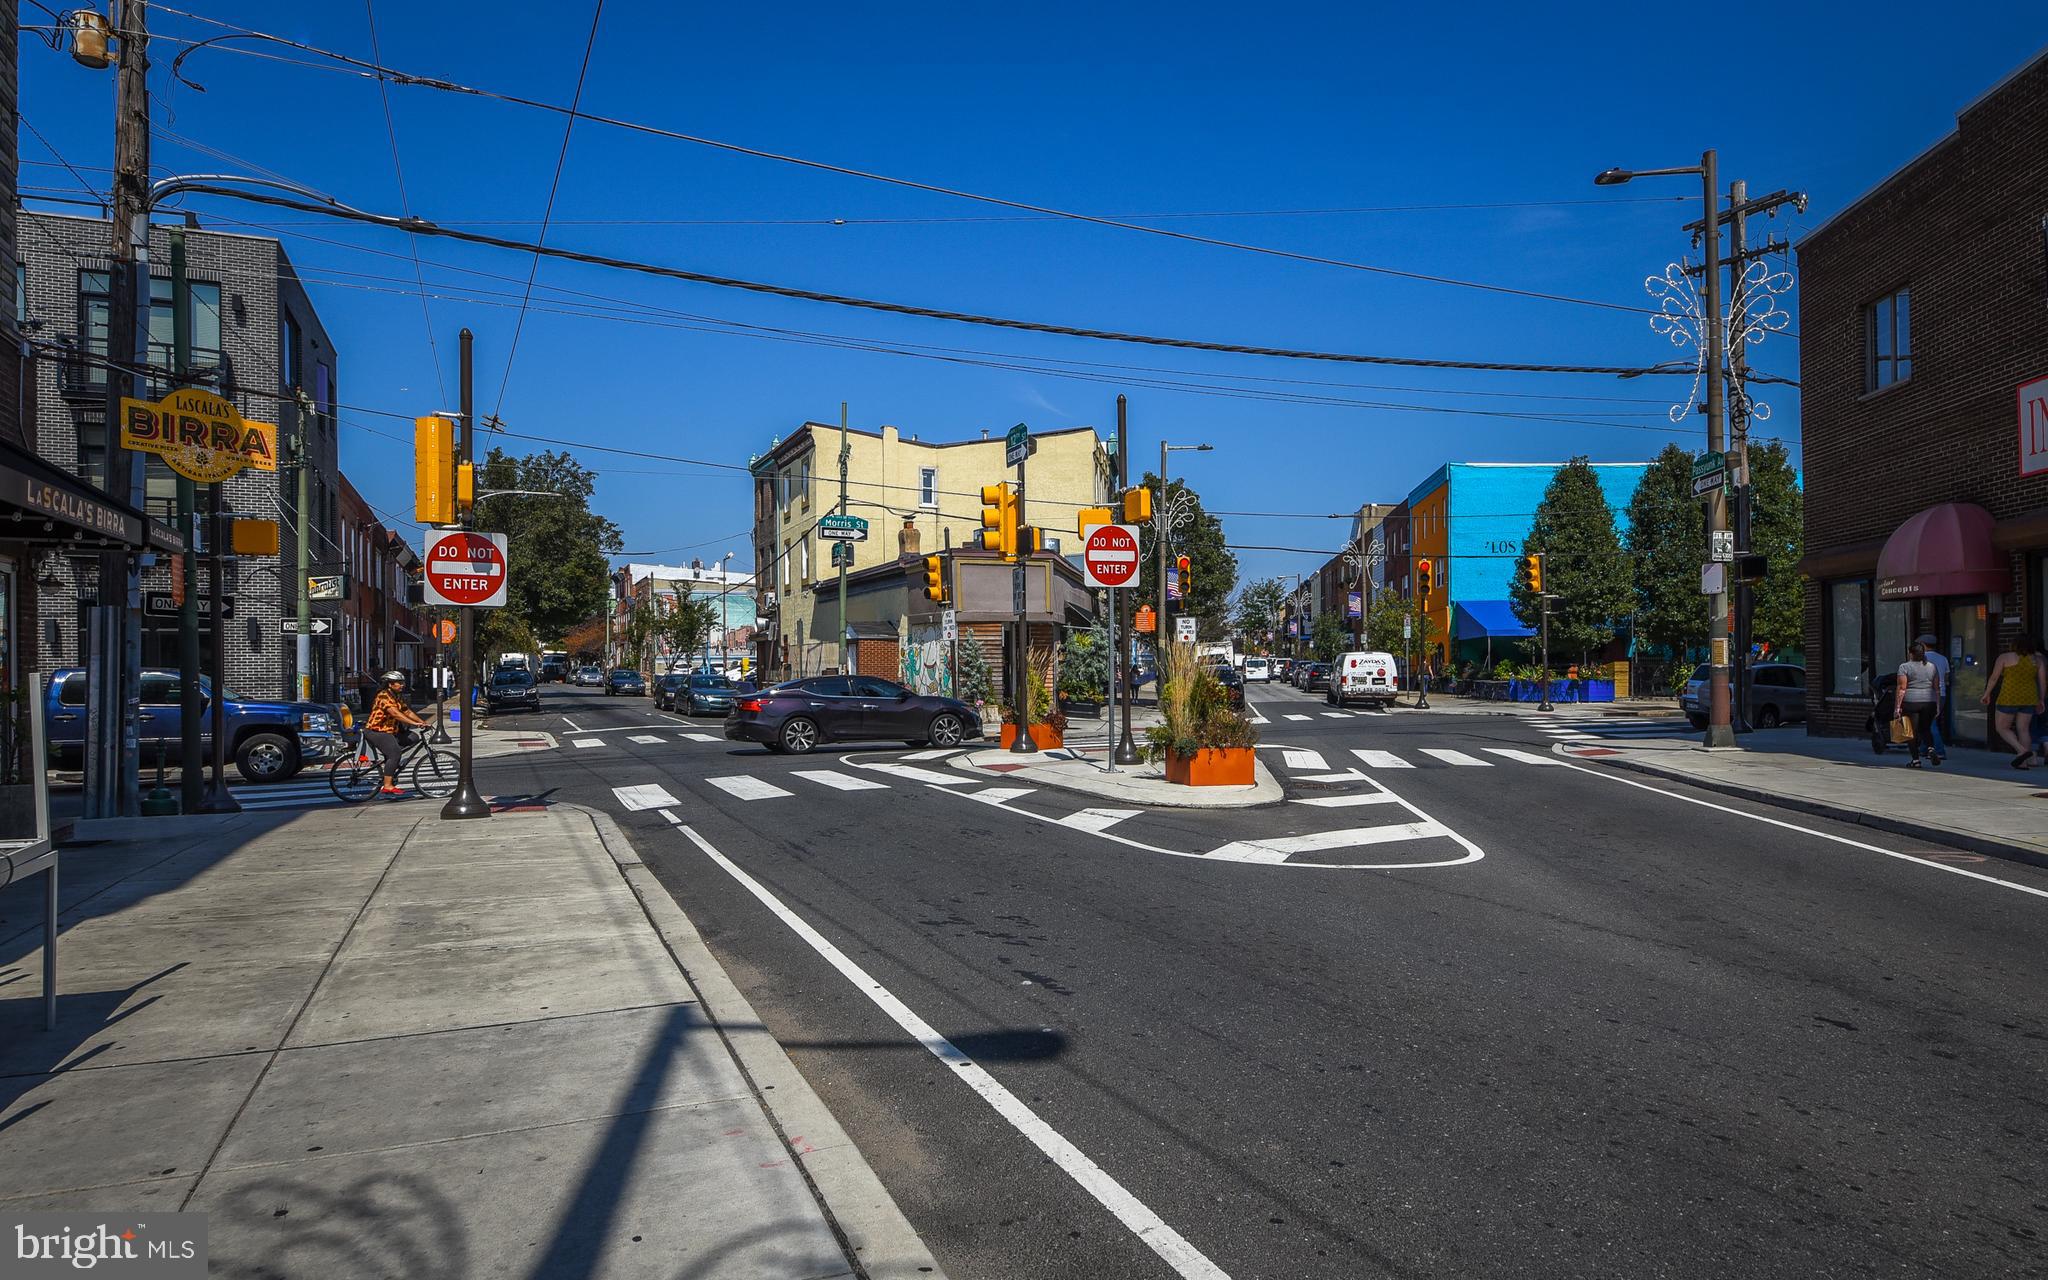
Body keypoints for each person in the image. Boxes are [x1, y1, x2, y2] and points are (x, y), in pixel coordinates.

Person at [1980, 633, 2046, 769]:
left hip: (2009, 697)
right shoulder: (2038, 660)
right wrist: (2041, 699)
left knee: (2002, 728)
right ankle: (2024, 762)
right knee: (2024, 729)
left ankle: (2021, 751)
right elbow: (2043, 682)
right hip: (2029, 698)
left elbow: (1994, 678)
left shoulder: (2004, 657)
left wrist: (1987, 693)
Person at [363, 669, 429, 795]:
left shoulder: (396, 696)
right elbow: (395, 713)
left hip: (391, 731)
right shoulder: (383, 695)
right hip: (377, 731)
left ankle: (391, 762)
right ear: (390, 684)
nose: (402, 685)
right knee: (395, 753)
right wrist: (414, 723)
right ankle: (387, 785)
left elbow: (406, 711)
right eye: (398, 683)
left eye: (402, 682)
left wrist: (422, 722)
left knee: (413, 737)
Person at [1892, 641, 1943, 768]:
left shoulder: (1904, 667)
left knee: (1910, 732)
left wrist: (1897, 707)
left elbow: (1902, 688)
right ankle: (1931, 748)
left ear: (1910, 653)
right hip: (1929, 701)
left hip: (1911, 702)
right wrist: (1937, 705)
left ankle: (1915, 760)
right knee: (1925, 728)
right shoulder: (1932, 667)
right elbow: (1937, 688)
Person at [1914, 633, 1950, 764]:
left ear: (1923, 645)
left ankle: (1939, 751)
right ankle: (1924, 749)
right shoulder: (1943, 659)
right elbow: (1946, 678)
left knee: (1930, 724)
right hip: (1941, 694)